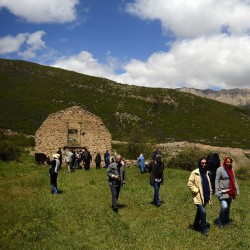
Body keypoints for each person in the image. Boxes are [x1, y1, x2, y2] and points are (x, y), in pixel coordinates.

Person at [187, 158, 212, 236]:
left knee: (199, 212)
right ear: (199, 163)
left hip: (205, 195)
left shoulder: (207, 172)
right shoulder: (195, 172)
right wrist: (196, 190)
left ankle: (195, 226)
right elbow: (190, 183)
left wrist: (210, 191)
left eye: (205, 163)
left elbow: (208, 183)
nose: (204, 165)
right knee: (203, 212)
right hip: (198, 196)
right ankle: (204, 229)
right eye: (202, 163)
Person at [215, 157, 240, 228]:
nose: (229, 163)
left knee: (228, 208)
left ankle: (226, 222)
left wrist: (237, 190)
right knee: (224, 206)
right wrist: (217, 191)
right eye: (227, 162)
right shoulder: (220, 169)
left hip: (230, 192)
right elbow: (216, 180)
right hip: (222, 192)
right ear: (225, 162)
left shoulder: (231, 169)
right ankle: (219, 221)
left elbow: (234, 180)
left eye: (230, 162)